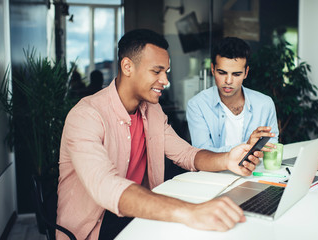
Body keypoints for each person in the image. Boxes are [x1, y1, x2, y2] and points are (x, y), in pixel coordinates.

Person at [56, 29, 264, 240]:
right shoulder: (86, 116)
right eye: (157, 71)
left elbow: (186, 154)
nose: (165, 80)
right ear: (127, 66)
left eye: (166, 71)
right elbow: (106, 186)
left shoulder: (152, 111)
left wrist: (228, 159)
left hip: (138, 213)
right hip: (97, 226)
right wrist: (190, 211)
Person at [186, 37, 279, 153]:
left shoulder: (265, 104)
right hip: (212, 172)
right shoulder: (197, 105)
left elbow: (272, 144)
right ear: (212, 69)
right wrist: (247, 145)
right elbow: (202, 153)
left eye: (236, 74)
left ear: (246, 73)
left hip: (254, 170)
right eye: (222, 73)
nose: (228, 81)